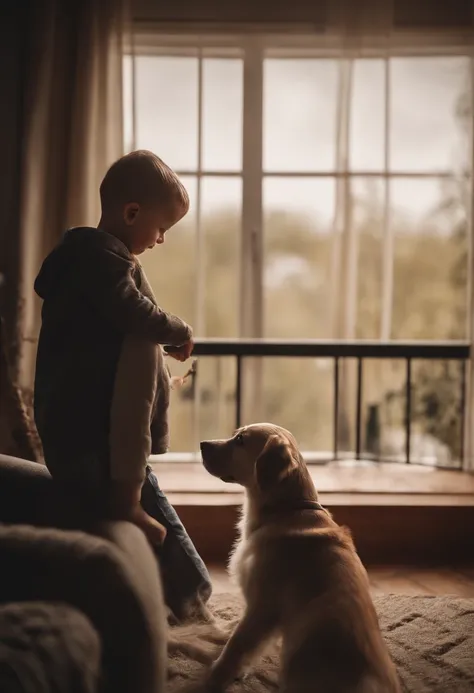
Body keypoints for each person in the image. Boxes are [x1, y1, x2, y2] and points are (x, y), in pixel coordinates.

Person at [33, 149, 212, 621]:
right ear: (132, 213)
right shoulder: (100, 262)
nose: (160, 241)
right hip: (95, 434)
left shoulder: (80, 263)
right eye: (161, 229)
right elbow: (134, 311)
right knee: (138, 512)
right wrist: (179, 331)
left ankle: (141, 602)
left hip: (81, 430)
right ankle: (191, 601)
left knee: (102, 523)